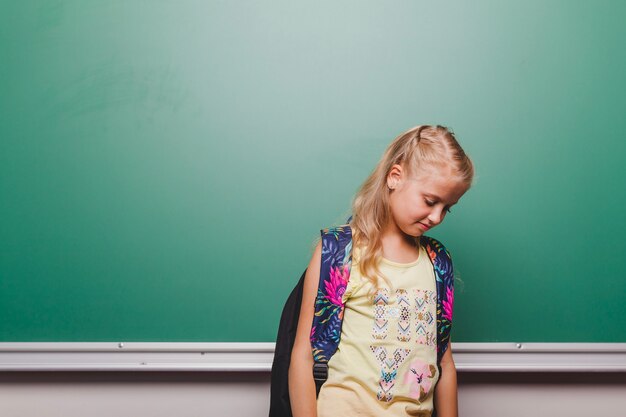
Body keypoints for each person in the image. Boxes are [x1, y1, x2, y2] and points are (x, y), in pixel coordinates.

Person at [288, 125, 475, 417]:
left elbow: (444, 364)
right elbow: (302, 356)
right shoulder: (338, 252)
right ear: (394, 177)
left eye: (447, 208)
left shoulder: (437, 262)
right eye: (430, 201)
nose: (437, 216)